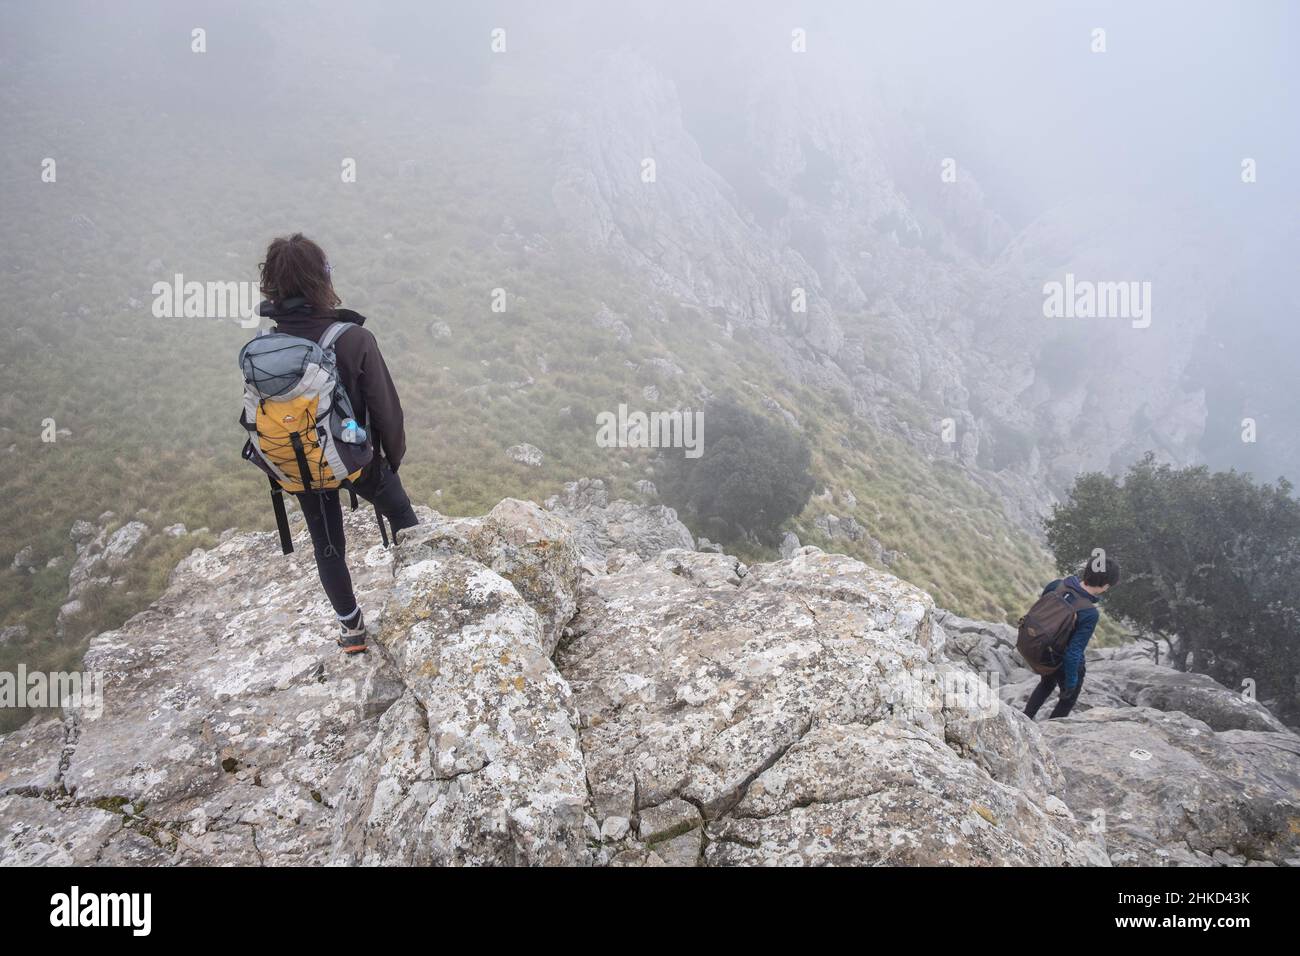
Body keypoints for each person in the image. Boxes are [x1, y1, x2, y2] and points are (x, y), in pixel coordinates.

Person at [257, 233, 419, 654]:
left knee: (327, 544)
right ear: (321, 280)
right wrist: (392, 460)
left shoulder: (266, 350)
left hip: (302, 463)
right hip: (355, 455)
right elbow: (386, 410)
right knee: (401, 514)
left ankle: (351, 631)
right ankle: (423, 596)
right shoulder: (353, 339)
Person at [1023, 558, 1121, 719]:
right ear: (1106, 586)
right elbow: (1073, 652)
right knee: (1067, 699)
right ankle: (1050, 730)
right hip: (1061, 659)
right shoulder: (1089, 613)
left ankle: (1025, 718)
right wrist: (1071, 683)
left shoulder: (1056, 585)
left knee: (1046, 683)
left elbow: (1042, 612)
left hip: (1043, 648)